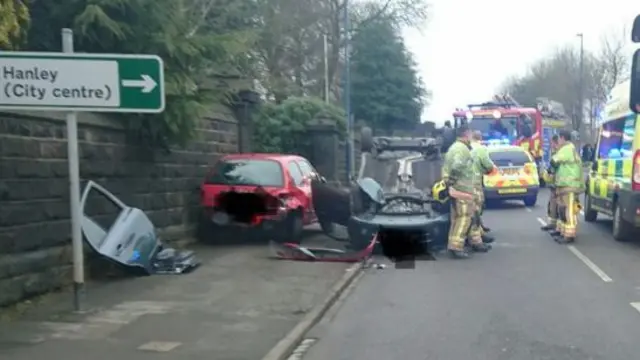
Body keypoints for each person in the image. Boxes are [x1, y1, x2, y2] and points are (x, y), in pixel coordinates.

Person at [442, 124, 492, 258]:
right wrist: (453, 181)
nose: (471, 137)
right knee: (464, 217)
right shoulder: (461, 149)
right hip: (462, 188)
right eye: (469, 134)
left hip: (458, 188)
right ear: (466, 134)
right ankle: (456, 247)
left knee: (461, 217)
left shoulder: (455, 147)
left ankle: (468, 242)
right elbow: (457, 166)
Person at [549, 130, 585, 243]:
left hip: (569, 185)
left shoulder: (567, 148)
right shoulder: (569, 149)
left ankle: (569, 235)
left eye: (559, 139)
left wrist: (551, 168)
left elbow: (554, 161)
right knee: (563, 209)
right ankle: (563, 232)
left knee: (569, 211)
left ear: (563, 138)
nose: (558, 141)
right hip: (565, 185)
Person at [470, 130, 498, 244]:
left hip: (463, 183)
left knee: (472, 211)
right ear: (480, 138)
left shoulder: (464, 148)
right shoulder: (480, 149)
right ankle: (476, 239)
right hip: (475, 183)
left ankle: (479, 233)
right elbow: (489, 166)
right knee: (476, 210)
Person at [540, 135, 560, 231]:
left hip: (560, 184)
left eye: (552, 143)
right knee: (552, 205)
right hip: (556, 184)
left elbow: (553, 168)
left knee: (559, 206)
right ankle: (553, 224)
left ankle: (557, 226)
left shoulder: (559, 153)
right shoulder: (556, 152)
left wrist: (547, 173)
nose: (551, 145)